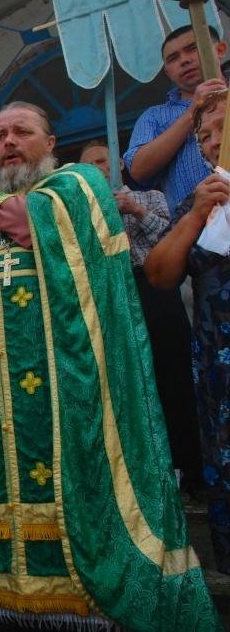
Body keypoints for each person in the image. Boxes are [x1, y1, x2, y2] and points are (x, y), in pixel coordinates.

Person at [0, 101, 219, 630]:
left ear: (50, 142)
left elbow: (28, 223)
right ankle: (7, 600)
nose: (8, 142)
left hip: (66, 382)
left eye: (22, 131)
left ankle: (86, 601)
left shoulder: (77, 185)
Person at [81, 140, 202, 493]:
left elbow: (169, 236)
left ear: (119, 163)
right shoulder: (84, 210)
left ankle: (193, 472)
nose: (97, 170)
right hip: (113, 294)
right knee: (127, 378)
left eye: (102, 161)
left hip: (153, 286)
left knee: (173, 373)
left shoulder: (151, 197)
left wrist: (132, 208)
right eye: (88, 167)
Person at [145, 88, 230, 575]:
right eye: (205, 136)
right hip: (219, 365)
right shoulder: (199, 200)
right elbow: (160, 274)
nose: (214, 142)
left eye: (222, 129)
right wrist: (198, 213)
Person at [124, 25, 228, 210]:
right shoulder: (155, 117)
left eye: (192, 48)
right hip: (197, 231)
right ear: (168, 73)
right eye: (173, 58)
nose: (184, 60)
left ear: (220, 50)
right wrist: (191, 115)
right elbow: (139, 170)